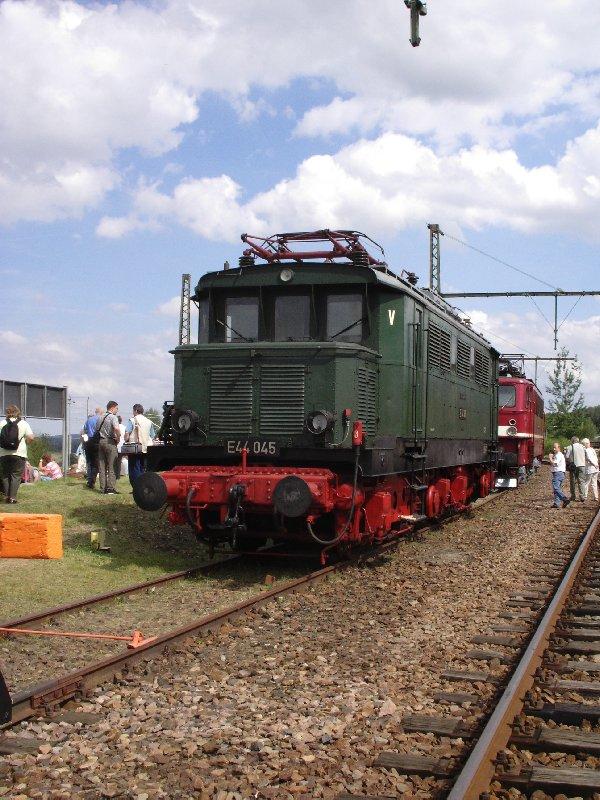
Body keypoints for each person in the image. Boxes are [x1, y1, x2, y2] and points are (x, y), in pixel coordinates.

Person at [0, 405, 35, 504]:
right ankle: (13, 498)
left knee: (5, 475)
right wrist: (26, 442)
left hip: (3, 454)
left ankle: (6, 497)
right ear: (18, 412)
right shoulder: (23, 423)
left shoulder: (2, 423)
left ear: (7, 412)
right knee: (16, 475)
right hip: (19, 453)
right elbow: (31, 437)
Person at [125, 404, 156, 485]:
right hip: (146, 448)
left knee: (134, 468)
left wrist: (126, 439)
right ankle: (143, 485)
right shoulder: (149, 421)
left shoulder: (132, 420)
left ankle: (136, 486)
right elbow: (152, 435)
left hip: (135, 447)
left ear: (135, 411)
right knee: (143, 468)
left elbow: (127, 433)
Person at [96, 401, 121, 495]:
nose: (117, 410)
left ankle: (103, 488)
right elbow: (117, 429)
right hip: (110, 442)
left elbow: (97, 429)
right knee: (112, 465)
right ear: (112, 408)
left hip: (101, 441)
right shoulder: (113, 417)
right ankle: (110, 488)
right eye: (117, 408)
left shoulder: (100, 417)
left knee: (102, 466)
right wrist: (118, 438)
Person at [81, 407, 103, 489]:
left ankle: (89, 479)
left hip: (88, 441)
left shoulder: (89, 420)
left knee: (89, 462)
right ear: (100, 412)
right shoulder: (101, 419)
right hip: (96, 441)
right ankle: (92, 481)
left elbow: (84, 432)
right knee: (96, 463)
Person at [549, 442, 570, 509]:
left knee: (556, 488)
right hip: (559, 473)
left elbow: (555, 464)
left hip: (558, 473)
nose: (554, 449)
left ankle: (564, 499)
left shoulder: (559, 455)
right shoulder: (558, 455)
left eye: (555, 447)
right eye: (553, 447)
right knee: (557, 489)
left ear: (559, 448)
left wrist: (550, 458)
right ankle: (556, 503)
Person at [565, 436, 586, 501]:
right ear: (578, 441)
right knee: (581, 481)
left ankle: (573, 496)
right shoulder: (583, 447)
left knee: (573, 481)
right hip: (582, 466)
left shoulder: (570, 447)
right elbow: (586, 455)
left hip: (574, 466)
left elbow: (566, 457)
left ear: (572, 441)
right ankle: (582, 496)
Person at [582, 437, 599, 502]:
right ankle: (596, 497)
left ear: (585, 444)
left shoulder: (586, 450)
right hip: (596, 468)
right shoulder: (592, 449)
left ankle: (585, 496)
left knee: (586, 483)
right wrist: (596, 464)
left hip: (590, 468)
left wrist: (594, 464)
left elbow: (589, 458)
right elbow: (596, 458)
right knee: (594, 483)